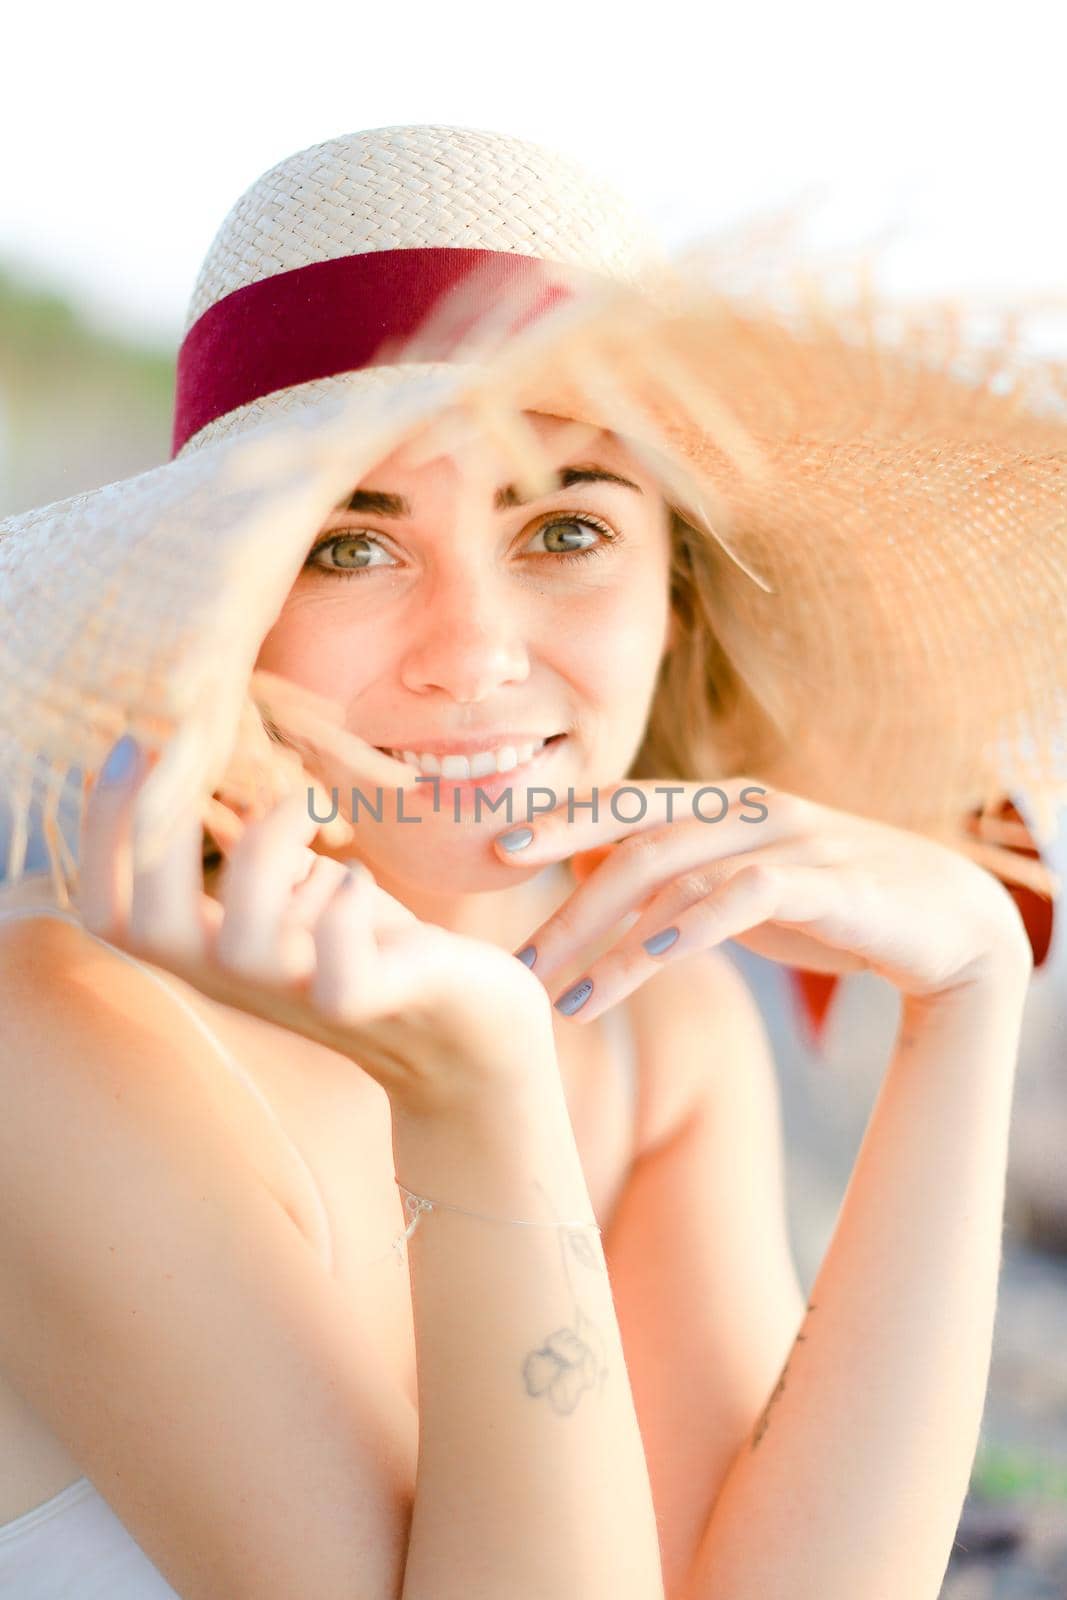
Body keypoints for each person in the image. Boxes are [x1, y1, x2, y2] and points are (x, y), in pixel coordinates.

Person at [0, 123, 1064, 1600]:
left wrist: (970, 994)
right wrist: (477, 1095)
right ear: (227, 617)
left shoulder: (646, 1015)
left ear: (673, 606)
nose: (477, 657)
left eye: (565, 528)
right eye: (352, 545)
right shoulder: (57, 1035)